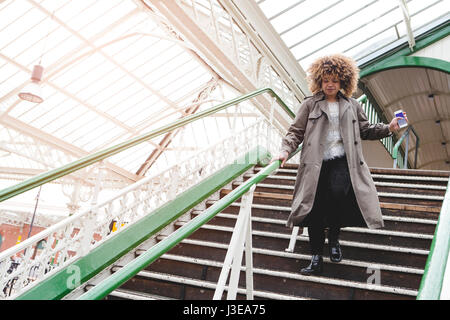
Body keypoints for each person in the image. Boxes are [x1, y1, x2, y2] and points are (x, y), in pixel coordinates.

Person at [271, 54, 405, 275]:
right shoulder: (310, 104)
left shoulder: (352, 106)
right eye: (325, 80)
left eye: (334, 80)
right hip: (315, 164)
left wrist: (388, 127)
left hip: (343, 162)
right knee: (313, 209)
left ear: (343, 81)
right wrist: (285, 150)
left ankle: (333, 240)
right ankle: (315, 257)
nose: (330, 84)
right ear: (319, 81)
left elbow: (366, 130)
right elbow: (295, 131)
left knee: (336, 197)